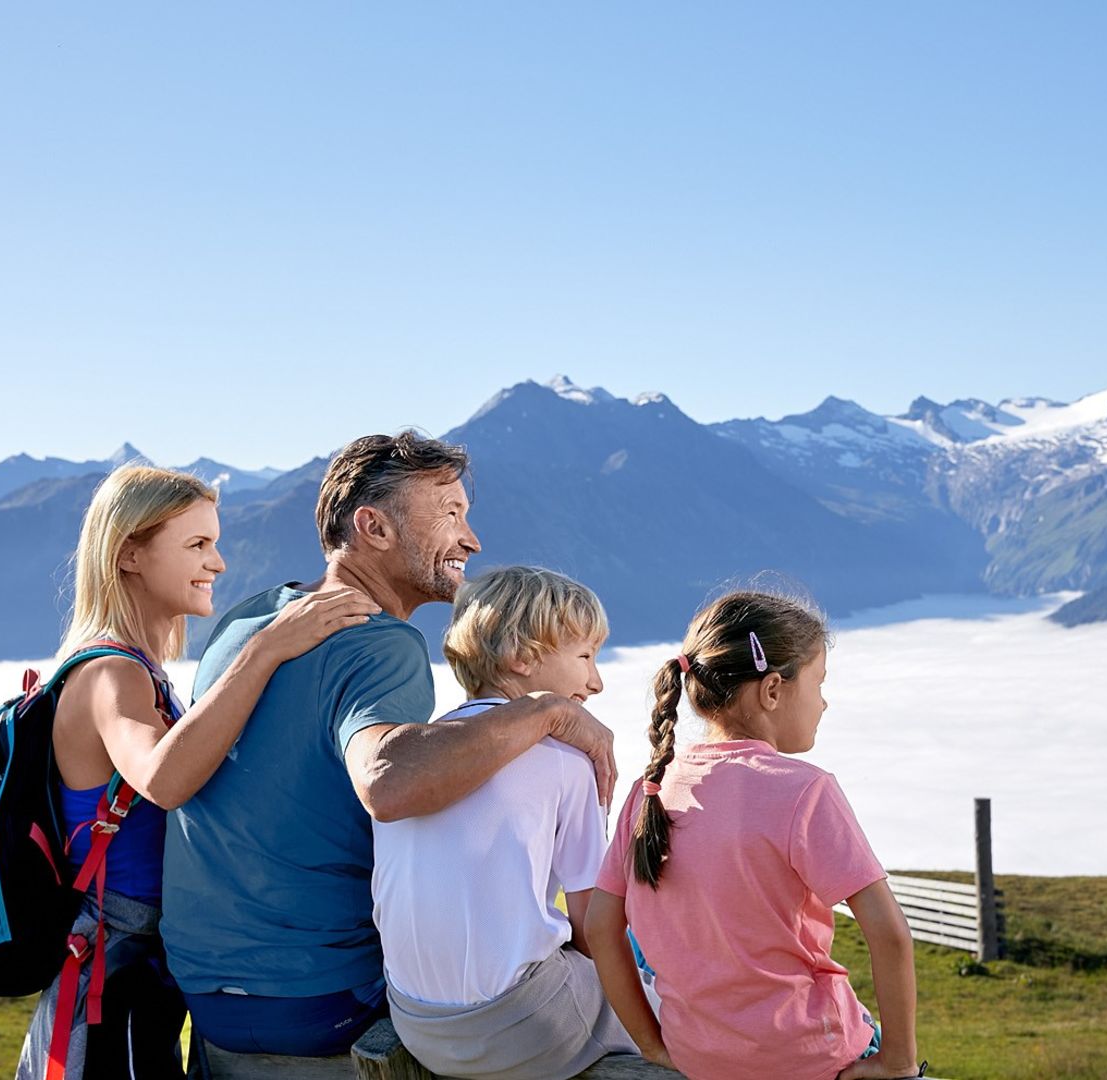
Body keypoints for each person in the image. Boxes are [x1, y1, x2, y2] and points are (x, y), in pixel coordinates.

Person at [161, 433, 617, 1072]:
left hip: (206, 998)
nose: (472, 540)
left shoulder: (248, 621)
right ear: (372, 527)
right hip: (322, 998)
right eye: (449, 514)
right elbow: (388, 780)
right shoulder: (380, 644)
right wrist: (546, 709)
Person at [15, 465, 378, 1080]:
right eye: (197, 545)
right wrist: (267, 647)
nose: (218, 563)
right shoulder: (110, 675)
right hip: (112, 975)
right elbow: (164, 779)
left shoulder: (137, 672)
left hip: (143, 971)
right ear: (129, 554)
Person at [586, 591, 921, 1080]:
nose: (824, 702)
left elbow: (600, 927)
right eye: (819, 682)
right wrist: (898, 1061)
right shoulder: (805, 790)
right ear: (771, 690)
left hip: (699, 1057)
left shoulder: (650, 790)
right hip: (808, 1057)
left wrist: (653, 1044)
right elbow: (889, 935)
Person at [372, 566, 637, 1080]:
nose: (596, 682)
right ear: (522, 656)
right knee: (666, 1006)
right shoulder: (568, 758)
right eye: (585, 656)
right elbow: (592, 926)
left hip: (418, 1024)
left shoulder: (423, 752)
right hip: (521, 1027)